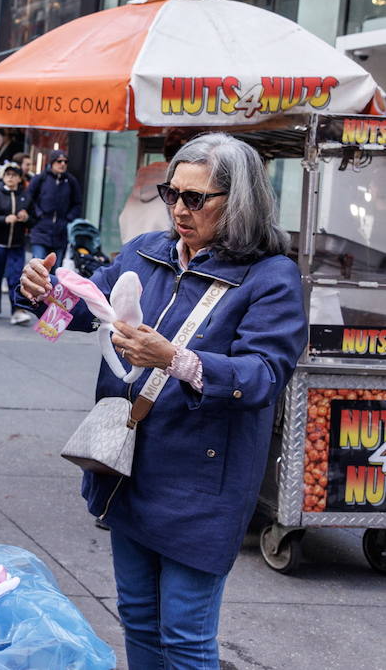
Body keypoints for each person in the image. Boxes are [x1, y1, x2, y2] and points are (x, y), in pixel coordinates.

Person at [18, 133, 306, 670]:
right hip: (129, 467)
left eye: (195, 199)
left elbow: (264, 376)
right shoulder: (145, 252)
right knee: (139, 620)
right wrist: (43, 292)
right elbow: (86, 310)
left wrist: (175, 359)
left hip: (202, 484)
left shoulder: (270, 277)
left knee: (186, 637)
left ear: (238, 200)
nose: (178, 208)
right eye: (171, 193)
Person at [0, 162, 32, 324]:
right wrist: (4, 219)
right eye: (8, 175)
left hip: (17, 245)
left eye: (14, 175)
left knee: (16, 278)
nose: (11, 178)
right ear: (3, 177)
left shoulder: (25, 196)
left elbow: (35, 219)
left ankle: (17, 310)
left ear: (19, 179)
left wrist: (26, 218)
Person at [27, 149, 82, 264]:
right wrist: (38, 213)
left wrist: (68, 219)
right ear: (52, 163)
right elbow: (29, 198)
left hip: (60, 233)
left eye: (65, 162)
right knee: (38, 265)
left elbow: (77, 203)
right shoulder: (40, 178)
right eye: (59, 161)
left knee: (56, 270)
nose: (63, 164)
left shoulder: (71, 181)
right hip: (40, 230)